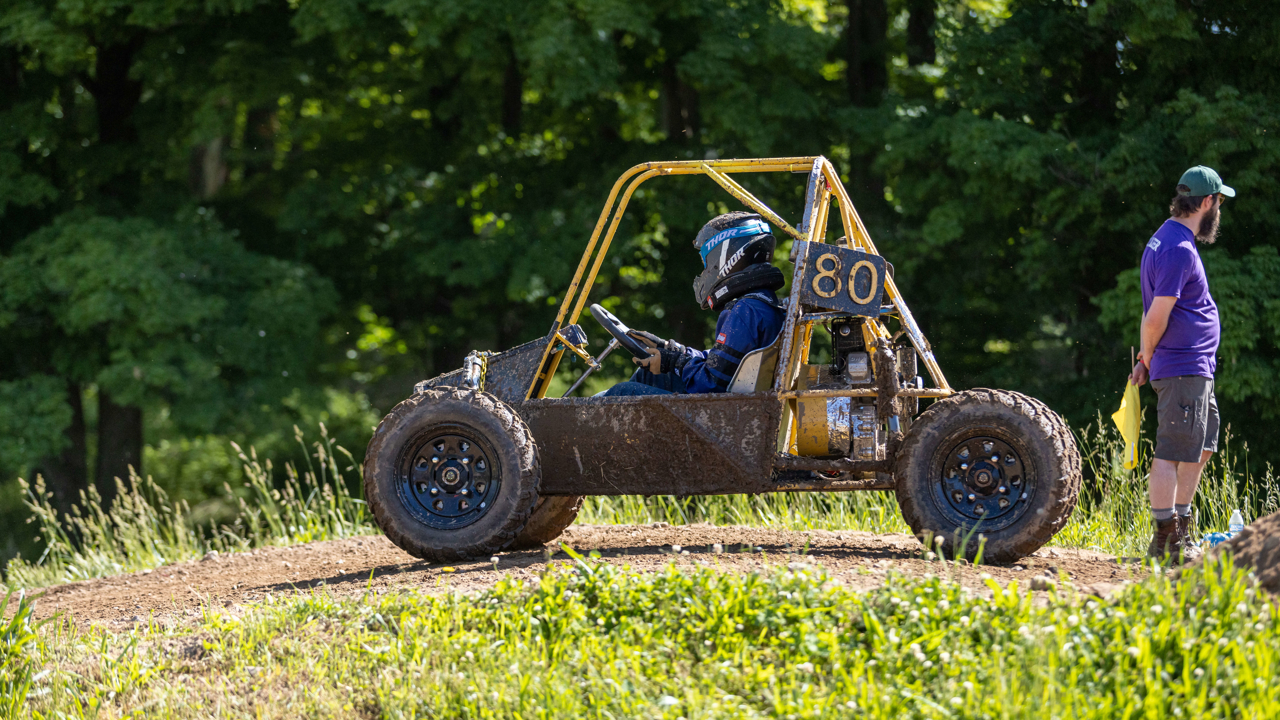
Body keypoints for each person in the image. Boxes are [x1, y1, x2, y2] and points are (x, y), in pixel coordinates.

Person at [1129, 165, 1234, 562]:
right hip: (1182, 367)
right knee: (1172, 452)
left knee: (1201, 448)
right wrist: (1151, 357)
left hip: (1194, 367)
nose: (1218, 210)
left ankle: (1182, 528)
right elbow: (1156, 315)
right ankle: (1165, 542)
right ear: (1206, 202)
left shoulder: (1167, 238)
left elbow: (1151, 313)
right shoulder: (1176, 247)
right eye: (1219, 202)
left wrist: (1144, 357)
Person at [600, 212, 786, 397]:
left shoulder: (744, 311)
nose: (706, 270)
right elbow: (717, 362)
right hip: (737, 403)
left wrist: (674, 363)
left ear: (727, 255)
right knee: (649, 376)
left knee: (620, 393)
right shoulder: (762, 305)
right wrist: (670, 349)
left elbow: (710, 383)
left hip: (723, 411)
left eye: (707, 263)